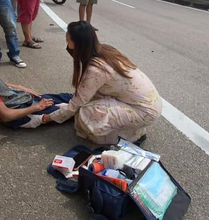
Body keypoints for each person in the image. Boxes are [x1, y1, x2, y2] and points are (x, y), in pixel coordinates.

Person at [30, 21, 162, 145]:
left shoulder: (96, 69)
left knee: (86, 114)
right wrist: (68, 108)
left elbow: (78, 103)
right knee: (86, 106)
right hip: (148, 102)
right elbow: (89, 94)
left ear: (77, 44)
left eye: (68, 40)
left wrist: (43, 119)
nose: (67, 44)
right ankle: (131, 127)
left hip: (145, 111)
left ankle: (128, 137)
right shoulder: (105, 50)